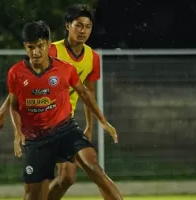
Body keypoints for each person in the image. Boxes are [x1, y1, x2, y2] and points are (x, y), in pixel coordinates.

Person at [0, 4, 105, 199]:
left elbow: (88, 93)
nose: (83, 30)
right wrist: (2, 112)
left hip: (66, 122)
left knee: (68, 178)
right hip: (43, 123)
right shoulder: (50, 50)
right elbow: (23, 85)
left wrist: (90, 126)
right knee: (54, 178)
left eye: (87, 26)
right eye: (79, 25)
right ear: (68, 26)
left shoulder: (92, 57)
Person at [8, 20, 123, 200]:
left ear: (48, 44)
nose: (36, 52)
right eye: (31, 47)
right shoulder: (16, 73)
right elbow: (14, 105)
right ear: (25, 46)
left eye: (40, 46)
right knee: (33, 195)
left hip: (65, 130)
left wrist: (103, 121)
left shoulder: (64, 69)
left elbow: (85, 94)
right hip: (37, 139)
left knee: (94, 168)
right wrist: (17, 132)